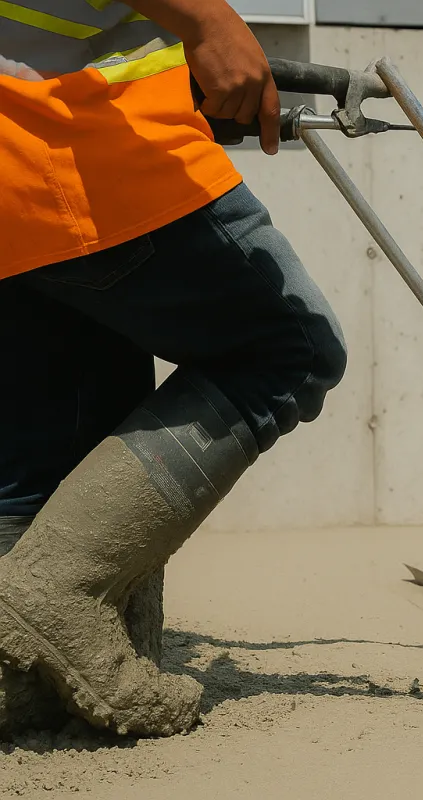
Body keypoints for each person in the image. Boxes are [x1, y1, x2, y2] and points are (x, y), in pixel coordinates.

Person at [0, 0, 346, 737]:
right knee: (288, 347)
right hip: (73, 132)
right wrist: (208, 20)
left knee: (57, 415)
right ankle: (58, 591)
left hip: (21, 145)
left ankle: (20, 682)